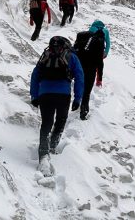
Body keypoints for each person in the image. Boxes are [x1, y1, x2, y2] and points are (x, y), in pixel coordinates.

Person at [30, 36, 84, 173]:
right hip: (63, 95)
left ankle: (43, 153)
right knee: (61, 120)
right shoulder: (71, 56)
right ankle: (53, 146)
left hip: (45, 94)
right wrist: (78, 98)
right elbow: (79, 76)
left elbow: (35, 75)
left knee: (46, 122)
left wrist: (34, 95)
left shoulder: (46, 55)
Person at [73, 20, 110, 120]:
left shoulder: (85, 34)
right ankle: (83, 111)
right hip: (91, 68)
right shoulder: (103, 35)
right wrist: (100, 78)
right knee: (87, 91)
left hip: (80, 67)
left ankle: (76, 102)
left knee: (79, 85)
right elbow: (100, 62)